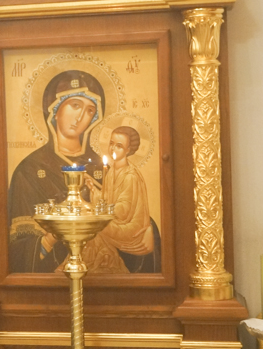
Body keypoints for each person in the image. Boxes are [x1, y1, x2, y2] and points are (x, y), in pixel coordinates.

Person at [8, 70, 104, 273]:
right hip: (50, 281)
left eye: (89, 110)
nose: (80, 117)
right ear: (54, 109)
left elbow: (124, 218)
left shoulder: (103, 168)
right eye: (75, 105)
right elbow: (18, 248)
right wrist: (52, 237)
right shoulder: (30, 169)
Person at [84, 126, 160, 273]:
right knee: (92, 225)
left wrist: (102, 210)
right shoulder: (112, 171)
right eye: (111, 143)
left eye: (119, 146)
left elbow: (123, 210)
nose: (113, 148)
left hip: (129, 227)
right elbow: (106, 199)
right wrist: (94, 190)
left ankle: (102, 264)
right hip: (115, 221)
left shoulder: (130, 176)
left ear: (128, 150)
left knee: (94, 228)